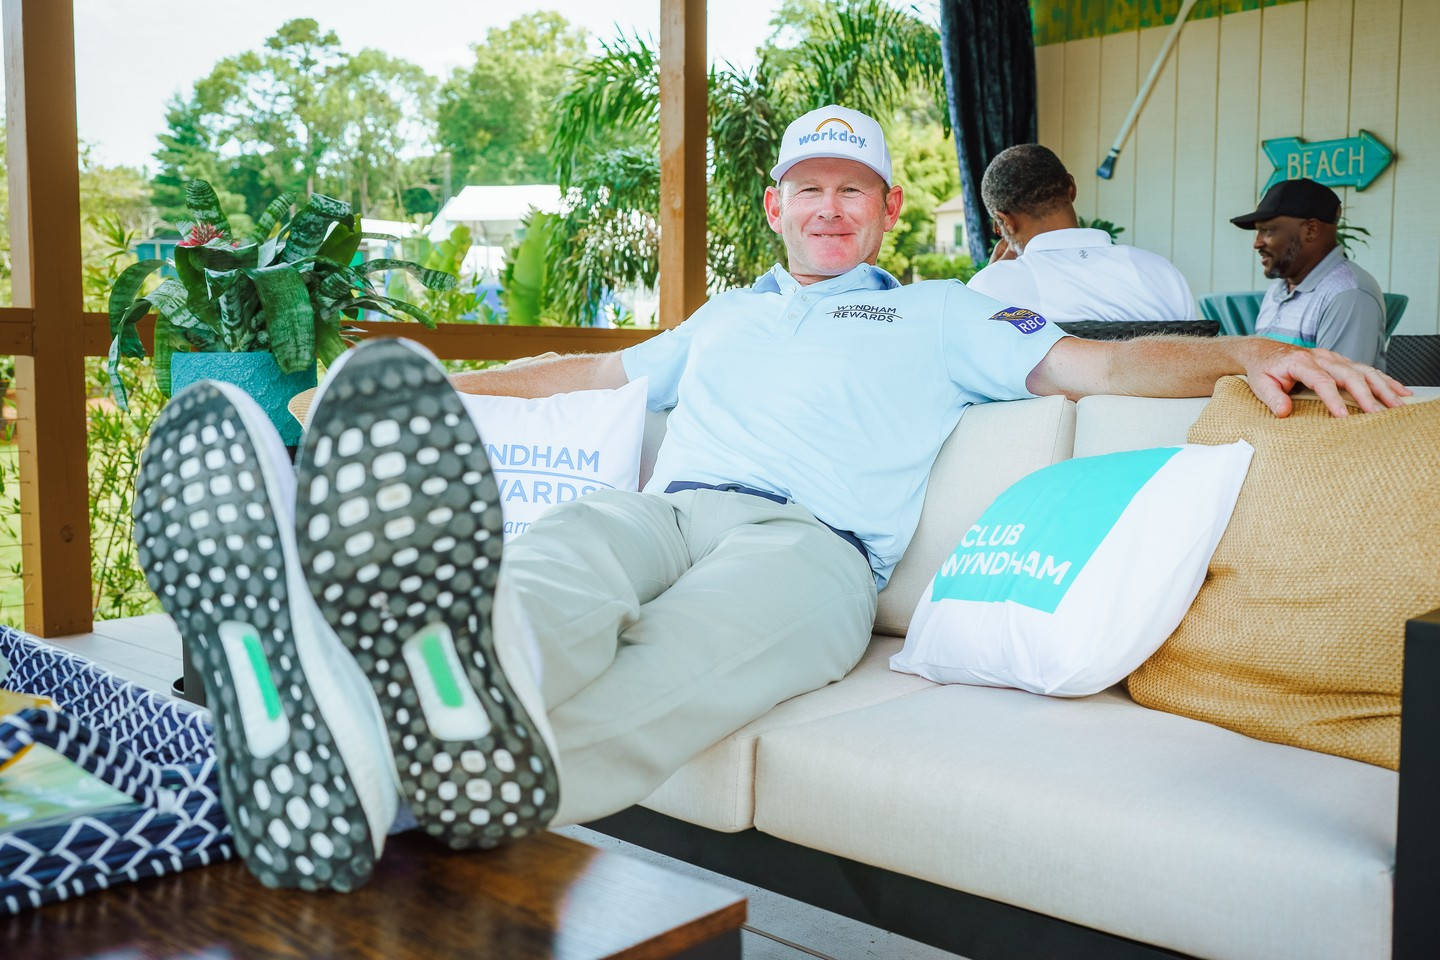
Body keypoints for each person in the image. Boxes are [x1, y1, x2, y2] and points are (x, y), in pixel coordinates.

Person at [134, 105, 1407, 893]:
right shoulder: (725, 314)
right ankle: (431, 677)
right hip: (669, 507)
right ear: (778, 204)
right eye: (811, 186)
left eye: (854, 188)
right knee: (558, 563)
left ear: (888, 209)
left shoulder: (953, 311)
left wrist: (1245, 352)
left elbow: (1106, 365)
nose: (830, 205)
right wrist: (434, 379)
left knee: (692, 655)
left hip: (814, 548)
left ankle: (390, 759)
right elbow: (590, 370)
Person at [966, 144, 1196, 326]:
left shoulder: (990, 290)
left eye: (998, 226)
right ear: (1072, 188)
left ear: (1005, 221)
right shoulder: (1162, 275)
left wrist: (991, 279)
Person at [1230, 177, 1387, 367]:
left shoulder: (1348, 294)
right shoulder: (1277, 291)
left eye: (1268, 231)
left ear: (1311, 230)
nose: (1257, 243)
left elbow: (1339, 390)